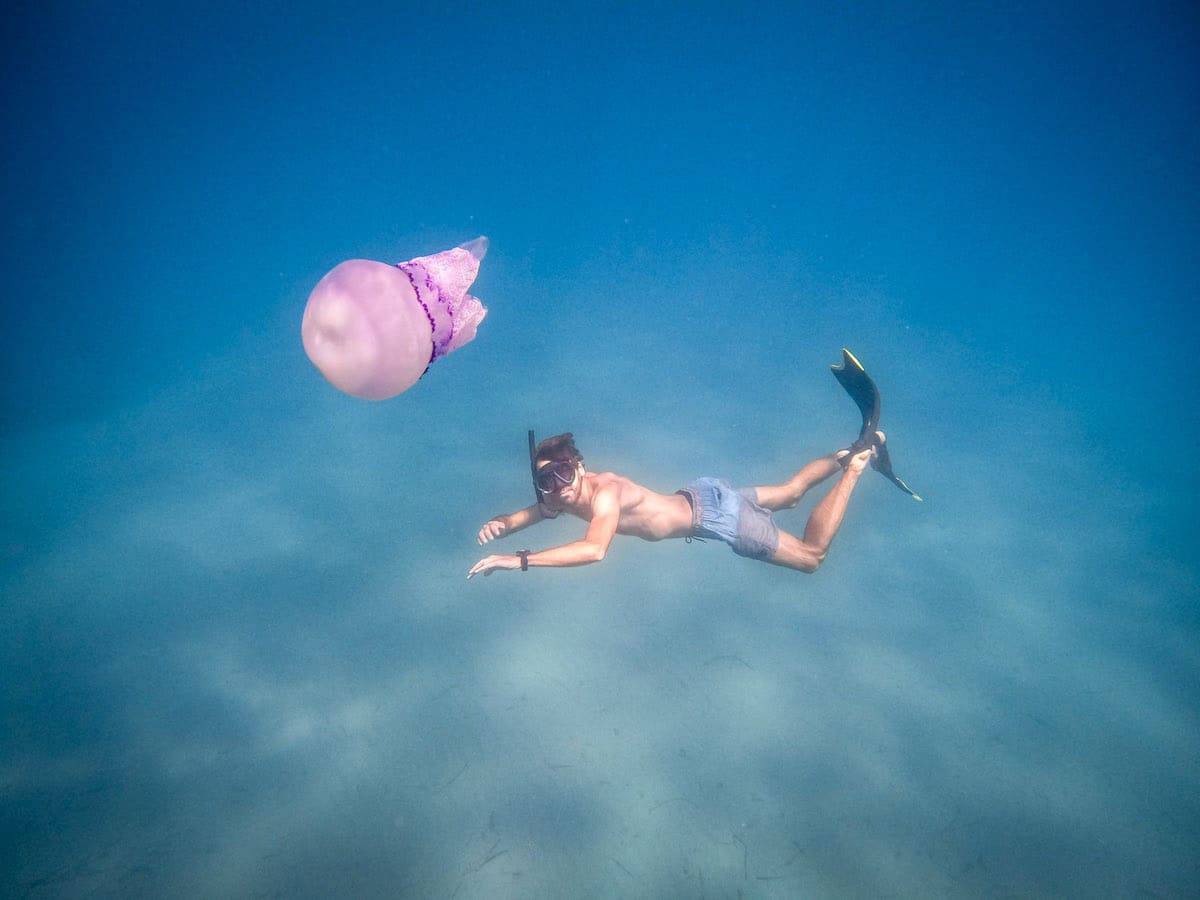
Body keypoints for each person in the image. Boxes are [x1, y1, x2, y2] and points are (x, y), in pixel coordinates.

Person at [466, 430, 883, 579]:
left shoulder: (604, 493)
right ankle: (849, 451)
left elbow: (594, 550)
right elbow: (532, 513)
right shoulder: (561, 497)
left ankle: (857, 467)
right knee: (791, 493)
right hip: (702, 495)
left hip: (714, 515)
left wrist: (518, 560)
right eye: (546, 480)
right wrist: (501, 525)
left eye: (562, 473)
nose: (557, 487)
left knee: (811, 558)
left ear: (579, 466)